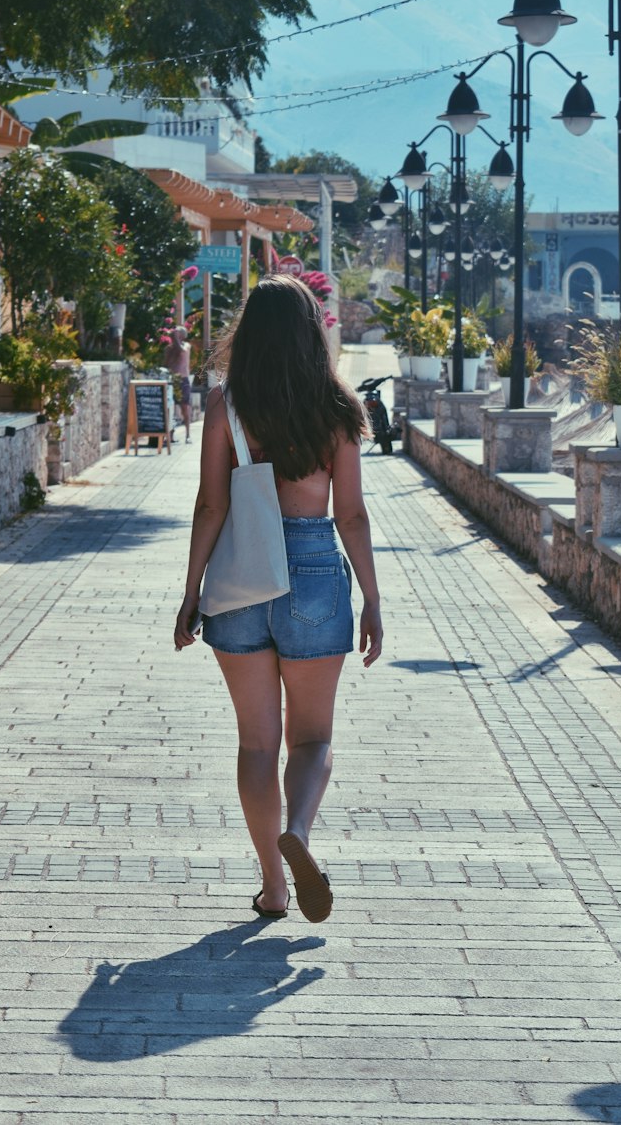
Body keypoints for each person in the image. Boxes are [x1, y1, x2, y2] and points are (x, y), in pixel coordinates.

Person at [174, 275, 383, 923]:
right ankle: (300, 830)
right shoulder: (337, 407)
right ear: (310, 331)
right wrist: (372, 601)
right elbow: (350, 516)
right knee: (312, 739)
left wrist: (190, 594)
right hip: (315, 571)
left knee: (256, 745)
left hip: (240, 576)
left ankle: (273, 885)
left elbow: (212, 504)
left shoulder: (226, 406)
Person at [164, 325, 193, 442]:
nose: (174, 334)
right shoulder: (169, 348)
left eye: (177, 332)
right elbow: (166, 363)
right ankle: (170, 435)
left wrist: (175, 337)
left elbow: (182, 350)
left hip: (183, 380)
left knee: (184, 407)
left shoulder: (186, 346)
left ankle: (188, 435)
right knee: (169, 407)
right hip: (172, 380)